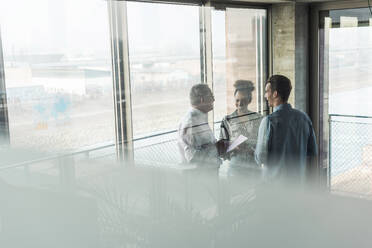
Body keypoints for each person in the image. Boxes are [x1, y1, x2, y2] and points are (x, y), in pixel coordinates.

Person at [255, 75, 317, 180]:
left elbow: (260, 158)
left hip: (274, 188)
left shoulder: (268, 122)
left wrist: (253, 149)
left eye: (267, 91)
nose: (265, 96)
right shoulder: (304, 118)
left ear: (275, 94)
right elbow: (311, 151)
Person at [219, 80, 262, 167]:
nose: (240, 103)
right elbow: (220, 149)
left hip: (254, 168)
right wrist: (233, 146)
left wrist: (253, 149)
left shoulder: (259, 119)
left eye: (244, 100)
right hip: (235, 169)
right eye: (237, 100)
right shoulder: (227, 120)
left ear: (249, 100)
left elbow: (264, 145)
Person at [178, 84, 223, 167]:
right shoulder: (192, 123)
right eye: (211, 96)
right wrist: (220, 148)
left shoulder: (199, 118)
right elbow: (193, 157)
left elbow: (205, 146)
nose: (214, 99)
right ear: (202, 99)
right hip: (202, 175)